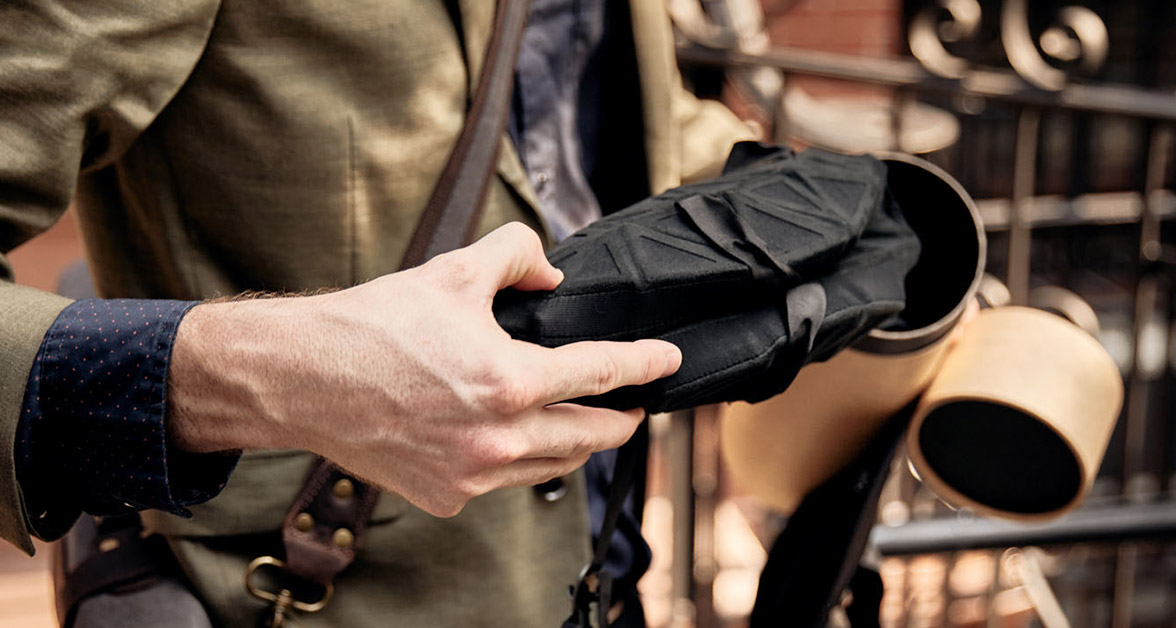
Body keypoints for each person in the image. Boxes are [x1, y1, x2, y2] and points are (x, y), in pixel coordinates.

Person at [0, 0, 750, 625]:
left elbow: (589, 123)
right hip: (313, 597)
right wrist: (261, 379)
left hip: (600, 562)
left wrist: (822, 194)